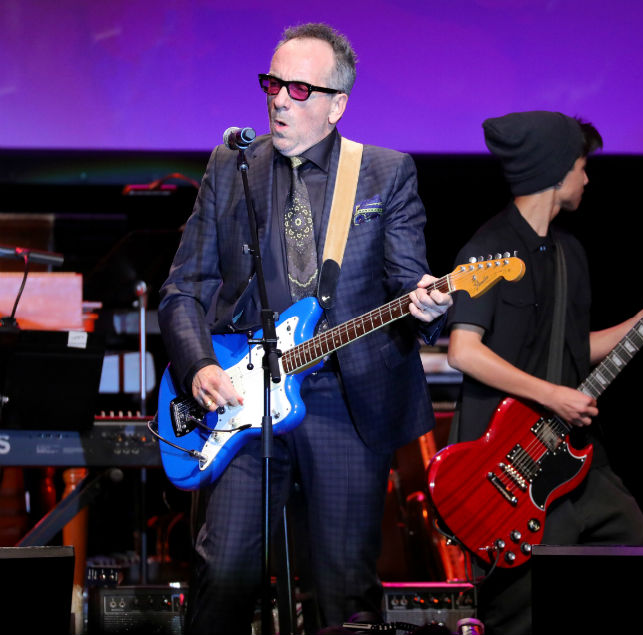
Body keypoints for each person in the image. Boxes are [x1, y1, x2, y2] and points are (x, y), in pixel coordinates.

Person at [158, 23, 452, 633]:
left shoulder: (383, 173)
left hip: (343, 399)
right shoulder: (233, 164)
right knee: (223, 571)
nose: (279, 101)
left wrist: (427, 303)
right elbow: (184, 287)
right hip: (244, 396)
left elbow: (408, 280)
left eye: (299, 89)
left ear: (337, 104)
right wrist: (200, 365)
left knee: (344, 589)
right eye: (273, 84)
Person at [445, 110, 643, 635]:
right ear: (557, 171)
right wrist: (552, 395)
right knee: (520, 608)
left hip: (567, 450)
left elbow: (577, 349)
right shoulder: (486, 249)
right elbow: (463, 351)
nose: (587, 178)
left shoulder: (569, 253)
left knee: (635, 546)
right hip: (507, 463)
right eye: (582, 165)